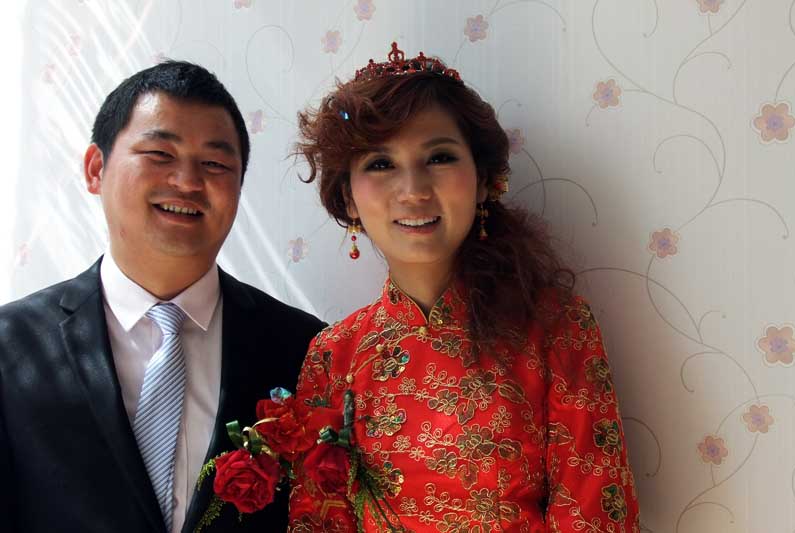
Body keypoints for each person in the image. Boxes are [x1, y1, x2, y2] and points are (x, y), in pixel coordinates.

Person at [288, 43, 640, 532]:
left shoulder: (557, 328)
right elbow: (318, 518)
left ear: (484, 181)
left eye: (439, 157)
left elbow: (595, 516)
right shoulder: (333, 356)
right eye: (380, 164)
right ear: (348, 197)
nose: (413, 190)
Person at [0, 61, 324, 533]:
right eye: (159, 154)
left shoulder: (306, 349)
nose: (188, 182)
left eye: (214, 164)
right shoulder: (12, 346)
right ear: (96, 169)